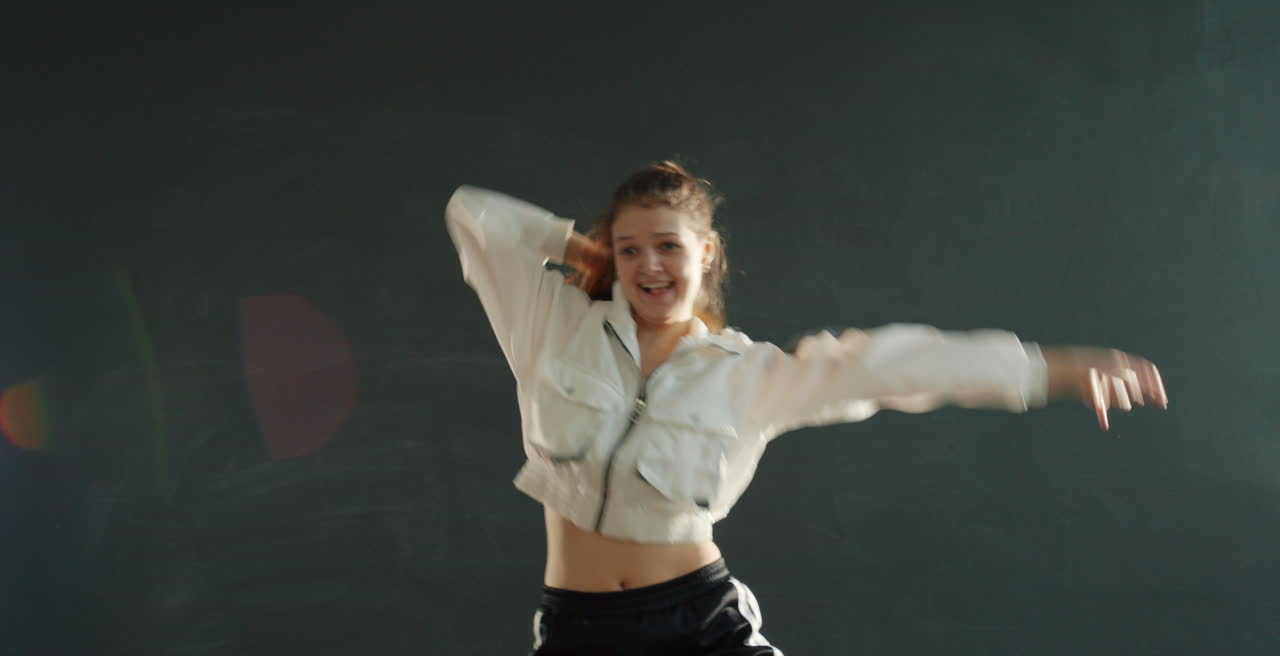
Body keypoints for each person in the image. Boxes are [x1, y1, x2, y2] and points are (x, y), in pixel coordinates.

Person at [444, 160, 1167, 655]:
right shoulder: (553, 328)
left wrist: (1055, 368)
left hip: (696, 621)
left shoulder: (750, 374)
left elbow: (889, 365)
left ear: (707, 253)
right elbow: (472, 213)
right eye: (630, 250)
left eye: (668, 246)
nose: (649, 266)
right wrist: (578, 246)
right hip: (579, 629)